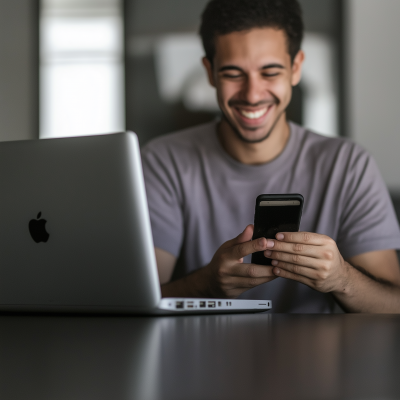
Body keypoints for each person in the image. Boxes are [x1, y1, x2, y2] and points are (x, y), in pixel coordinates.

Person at [141, 0, 400, 313]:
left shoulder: (348, 165)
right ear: (210, 73)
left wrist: (341, 278)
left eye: (270, 72)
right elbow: (138, 303)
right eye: (233, 73)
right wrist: (208, 283)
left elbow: (393, 305)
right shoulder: (162, 161)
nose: (252, 94)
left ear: (296, 68)